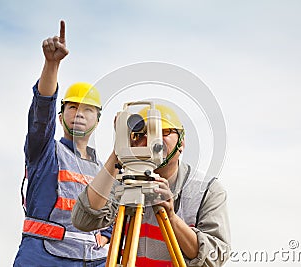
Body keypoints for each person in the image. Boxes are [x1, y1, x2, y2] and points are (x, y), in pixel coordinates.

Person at [71, 104, 231, 266]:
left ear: (181, 143)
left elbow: (214, 257)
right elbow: (84, 221)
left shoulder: (206, 190)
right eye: (141, 135)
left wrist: (171, 217)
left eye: (164, 132)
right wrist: (118, 153)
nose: (152, 140)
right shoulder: (124, 181)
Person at [13, 20, 111, 267]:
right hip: (43, 256)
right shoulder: (45, 151)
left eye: (88, 110)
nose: (79, 113)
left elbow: (113, 213)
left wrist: (108, 237)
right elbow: (41, 111)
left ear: (97, 120)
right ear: (60, 116)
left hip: (93, 260)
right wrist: (52, 64)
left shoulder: (105, 169)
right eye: (73, 107)